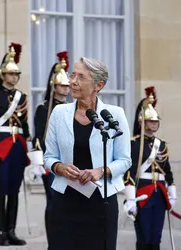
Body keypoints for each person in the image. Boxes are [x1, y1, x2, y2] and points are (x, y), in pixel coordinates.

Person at [44, 57, 131, 250]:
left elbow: (125, 160)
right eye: (72, 75)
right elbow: (49, 157)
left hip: (101, 202)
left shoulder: (114, 115)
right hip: (64, 202)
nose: (72, 81)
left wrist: (100, 171)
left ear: (98, 85)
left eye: (80, 77)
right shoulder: (59, 113)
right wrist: (60, 168)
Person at [0, 43, 32, 246]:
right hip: (1, 146)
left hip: (17, 146)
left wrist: (32, 150)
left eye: (16, 73)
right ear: (3, 74)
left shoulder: (22, 98)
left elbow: (25, 126)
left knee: (15, 190)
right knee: (2, 189)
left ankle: (11, 230)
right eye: (11, 73)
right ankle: (1, 231)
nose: (14, 77)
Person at [123, 86, 177, 250]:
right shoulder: (134, 143)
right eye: (151, 120)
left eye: (156, 121)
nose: (155, 123)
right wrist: (131, 199)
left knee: (156, 237)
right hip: (142, 194)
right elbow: (130, 172)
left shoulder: (162, 146)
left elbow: (167, 172)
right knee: (144, 237)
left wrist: (172, 194)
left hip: (159, 195)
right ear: (142, 121)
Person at [31, 51, 70, 242]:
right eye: (62, 85)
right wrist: (39, 162)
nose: (66, 89)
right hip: (52, 162)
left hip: (69, 162)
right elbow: (38, 136)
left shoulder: (72, 108)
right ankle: (53, 242)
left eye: (67, 86)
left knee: (68, 204)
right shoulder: (44, 108)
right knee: (54, 202)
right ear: (54, 85)